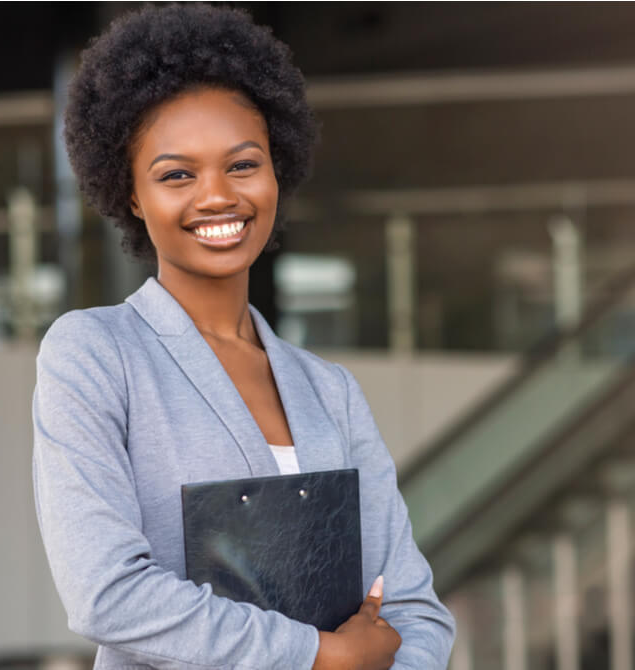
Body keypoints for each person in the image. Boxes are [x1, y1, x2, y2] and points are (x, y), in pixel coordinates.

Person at [31, 5, 456, 669]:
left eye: (242, 164)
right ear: (132, 194)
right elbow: (107, 594)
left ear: (276, 171)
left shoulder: (328, 391)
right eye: (177, 174)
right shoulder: (94, 354)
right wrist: (320, 655)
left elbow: (414, 608)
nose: (217, 196)